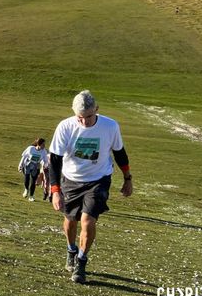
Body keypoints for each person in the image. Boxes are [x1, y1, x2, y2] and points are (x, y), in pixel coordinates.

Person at [49, 90, 133, 284]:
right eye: (80, 118)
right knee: (70, 220)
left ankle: (81, 262)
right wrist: (55, 191)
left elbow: (120, 153)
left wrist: (128, 178)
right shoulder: (65, 127)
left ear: (96, 109)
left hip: (98, 179)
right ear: (74, 113)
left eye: (88, 117)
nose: (85, 122)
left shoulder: (110, 126)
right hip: (71, 180)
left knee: (88, 220)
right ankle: (71, 249)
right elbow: (55, 159)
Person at [18, 138, 48, 202]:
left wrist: (45, 165)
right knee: (27, 178)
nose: (44, 146)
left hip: (36, 166)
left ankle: (31, 196)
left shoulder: (44, 151)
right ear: (38, 144)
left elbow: (45, 160)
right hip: (27, 165)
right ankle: (26, 189)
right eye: (43, 144)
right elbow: (24, 156)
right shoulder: (30, 148)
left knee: (33, 181)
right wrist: (20, 165)